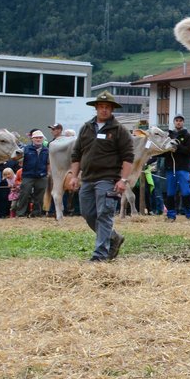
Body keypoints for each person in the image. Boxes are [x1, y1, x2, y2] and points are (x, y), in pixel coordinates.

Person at [64, 92, 134, 262]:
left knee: (104, 214)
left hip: (108, 178)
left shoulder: (119, 130)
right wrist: (74, 176)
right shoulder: (86, 128)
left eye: (107, 107)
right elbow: (76, 154)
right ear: (96, 108)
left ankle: (100, 254)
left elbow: (128, 157)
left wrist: (123, 180)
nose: (104, 110)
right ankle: (113, 237)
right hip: (87, 178)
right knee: (88, 213)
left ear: (111, 109)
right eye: (101, 107)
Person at [164, 114, 190, 220]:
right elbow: (163, 151)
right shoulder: (169, 135)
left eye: (180, 120)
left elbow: (189, 151)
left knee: (186, 192)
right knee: (170, 192)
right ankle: (171, 215)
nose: (178, 122)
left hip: (183, 168)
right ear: (174, 122)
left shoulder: (187, 136)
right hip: (170, 168)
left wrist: (177, 147)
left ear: (183, 122)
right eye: (177, 120)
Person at [18, 130, 50, 217]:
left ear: (43, 139)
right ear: (32, 139)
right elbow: (19, 161)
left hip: (41, 176)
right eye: (36, 138)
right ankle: (21, 214)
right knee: (24, 194)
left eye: (40, 138)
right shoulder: (26, 149)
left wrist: (47, 173)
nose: (38, 139)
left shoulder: (47, 150)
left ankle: (36, 214)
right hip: (28, 176)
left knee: (39, 196)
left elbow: (48, 163)